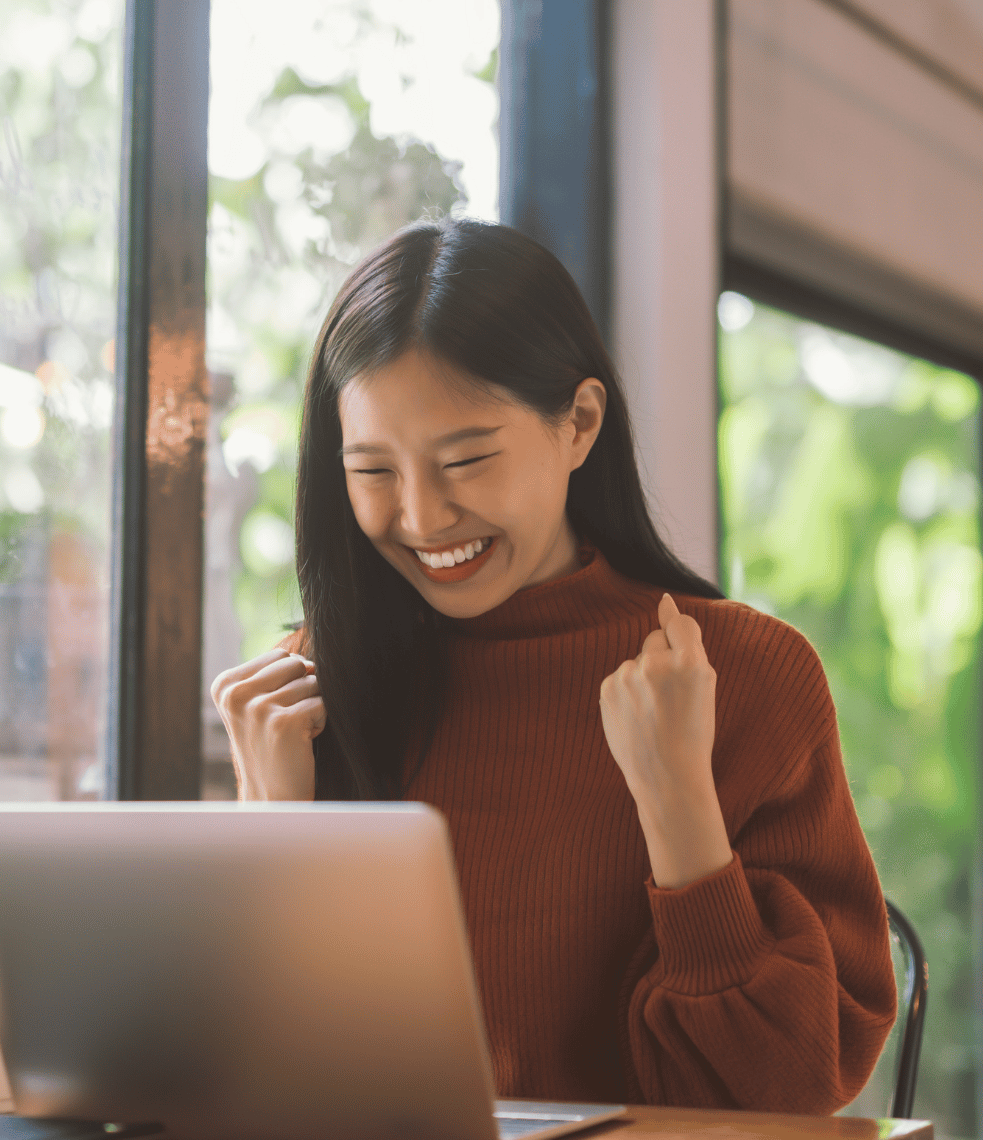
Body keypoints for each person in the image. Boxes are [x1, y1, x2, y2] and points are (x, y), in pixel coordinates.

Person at [210, 219, 896, 1112]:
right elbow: (261, 1093)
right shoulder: (309, 693)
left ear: (578, 424)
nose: (420, 518)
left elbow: (785, 1096)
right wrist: (271, 827)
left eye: (467, 459)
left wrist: (679, 805)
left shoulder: (741, 674)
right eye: (372, 469)